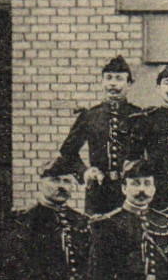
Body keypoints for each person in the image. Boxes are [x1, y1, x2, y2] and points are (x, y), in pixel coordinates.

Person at [60, 55, 144, 215]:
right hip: (98, 193)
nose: (113, 83)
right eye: (108, 78)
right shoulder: (90, 116)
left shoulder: (139, 116)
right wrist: (85, 172)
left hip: (131, 192)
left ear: (129, 84)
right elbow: (67, 151)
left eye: (119, 79)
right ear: (102, 82)